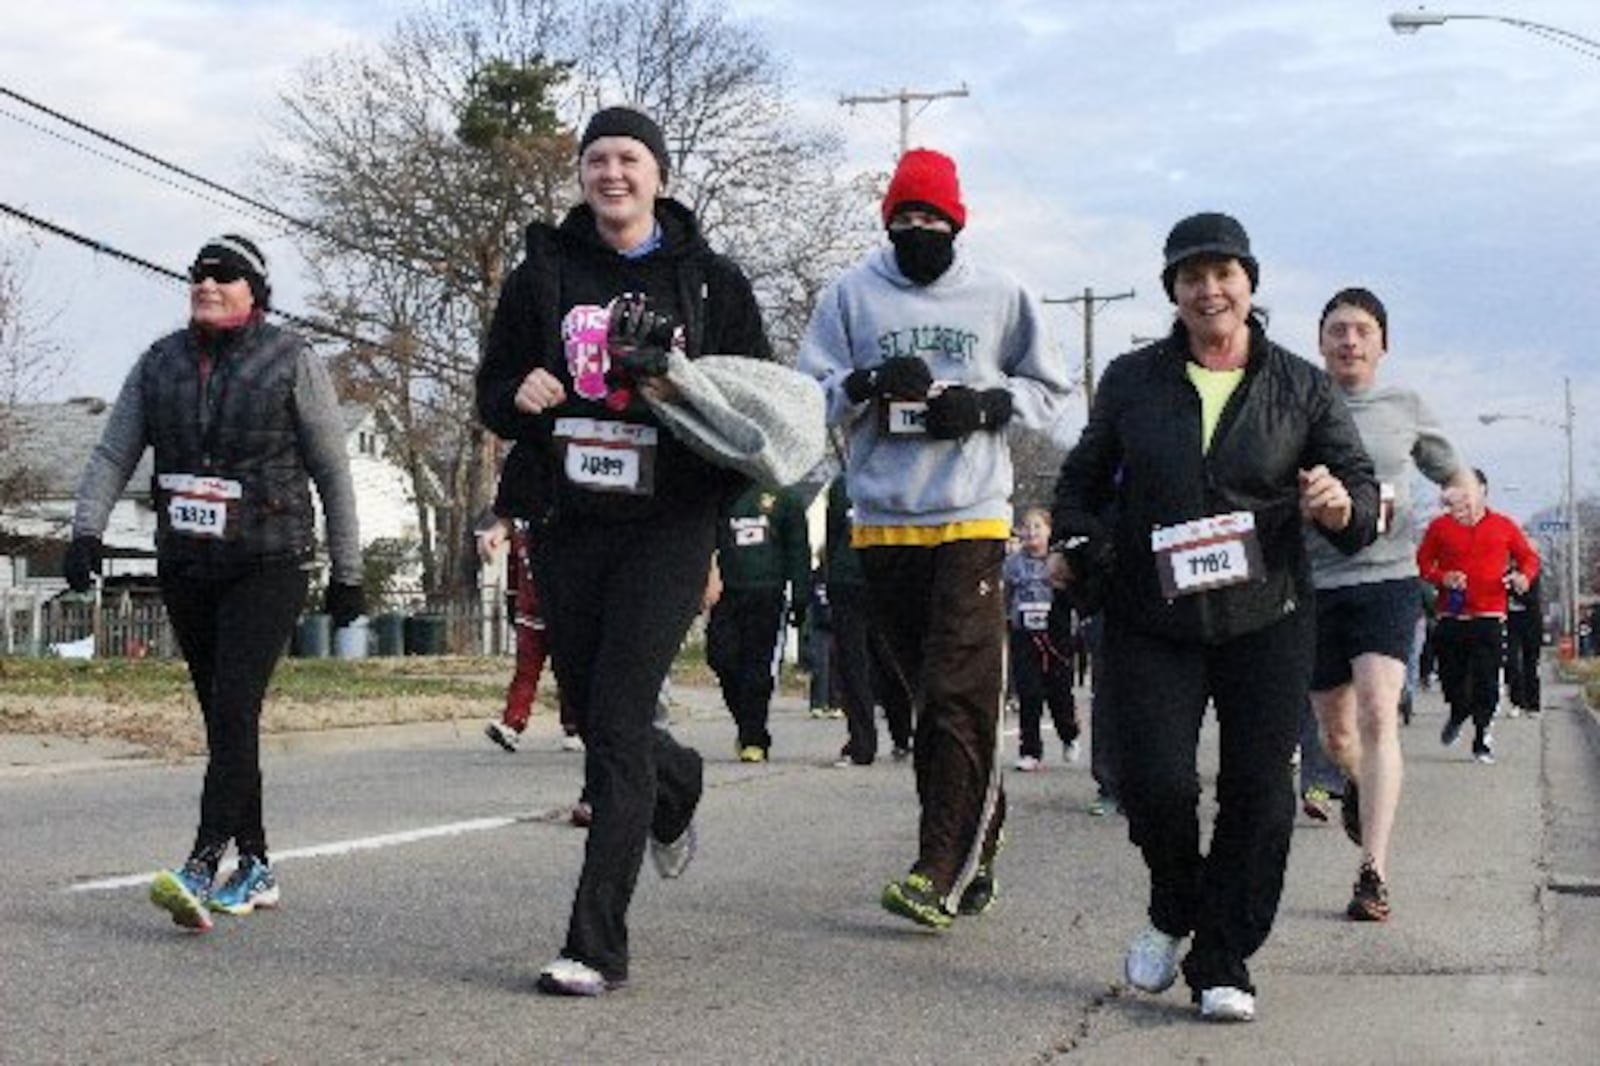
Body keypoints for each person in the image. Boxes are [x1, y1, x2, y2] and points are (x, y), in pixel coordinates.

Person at [1050, 212, 1378, 1022]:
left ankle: (1223, 956)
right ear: (1173, 290)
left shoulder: (1299, 385)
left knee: (1260, 797)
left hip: (1264, 614)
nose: (1209, 290)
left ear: (1249, 283)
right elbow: (1081, 486)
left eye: (1224, 273)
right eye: (1191, 277)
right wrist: (1076, 543)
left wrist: (1340, 505)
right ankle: (1174, 903)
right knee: (1154, 783)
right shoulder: (1132, 380)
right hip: (1150, 613)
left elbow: (1361, 490)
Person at [475, 105, 773, 997]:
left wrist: (674, 393)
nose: (613, 174)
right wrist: (517, 393)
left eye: (630, 159)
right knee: (606, 719)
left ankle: (595, 944)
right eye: (597, 159)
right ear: (582, 174)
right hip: (568, 522)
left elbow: (748, 416)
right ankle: (675, 782)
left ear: (659, 175)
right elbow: (494, 391)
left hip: (667, 524)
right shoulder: (542, 277)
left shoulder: (712, 284)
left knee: (612, 724)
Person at [797, 147, 1070, 929]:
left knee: (958, 691)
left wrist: (986, 405)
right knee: (925, 701)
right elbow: (805, 396)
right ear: (888, 223)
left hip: (972, 518)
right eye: (905, 219)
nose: (919, 230)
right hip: (883, 523)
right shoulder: (851, 294)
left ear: (956, 222)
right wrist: (860, 384)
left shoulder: (998, 293)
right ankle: (978, 828)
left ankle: (936, 869)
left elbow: (1050, 389)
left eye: (932, 219)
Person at [65, 234, 364, 931]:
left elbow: (332, 469)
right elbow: (115, 451)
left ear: (254, 291)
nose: (207, 284)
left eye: (224, 275)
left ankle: (203, 862)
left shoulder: (292, 361)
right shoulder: (159, 362)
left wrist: (348, 572)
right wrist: (84, 530)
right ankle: (255, 864)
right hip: (188, 563)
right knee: (226, 719)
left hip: (270, 560)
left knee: (234, 708)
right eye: (198, 274)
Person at [1305, 286, 1471, 923]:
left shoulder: (1404, 405)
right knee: (1336, 733)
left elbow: (1447, 466)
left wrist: (1459, 492)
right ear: (1321, 343)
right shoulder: (1301, 403)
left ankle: (1373, 870)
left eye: (1362, 331)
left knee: (1378, 713)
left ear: (1382, 344)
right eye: (1338, 330)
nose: (1350, 341)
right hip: (1318, 584)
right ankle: (1353, 783)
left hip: (1386, 577)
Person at [1416, 468, 1539, 765]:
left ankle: (1482, 737)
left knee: (1486, 679)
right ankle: (1458, 712)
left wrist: (1523, 577)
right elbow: (1421, 563)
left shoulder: (1504, 525)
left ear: (1483, 490)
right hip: (1452, 616)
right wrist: (1442, 577)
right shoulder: (1439, 527)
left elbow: (1528, 558)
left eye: (1469, 490)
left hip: (1489, 615)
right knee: (1452, 679)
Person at [477, 455, 581, 754]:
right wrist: (494, 536)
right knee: (525, 669)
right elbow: (504, 525)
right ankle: (512, 724)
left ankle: (574, 726)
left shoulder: (568, 507)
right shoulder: (521, 510)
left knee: (568, 669)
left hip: (565, 607)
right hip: (529, 606)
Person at [705, 483, 811, 761]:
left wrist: (801, 597)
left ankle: (754, 738)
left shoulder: (784, 497)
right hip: (728, 594)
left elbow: (798, 549)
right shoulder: (723, 494)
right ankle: (746, 723)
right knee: (721, 658)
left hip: (768, 593)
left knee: (757, 668)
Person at [1003, 507, 1080, 771]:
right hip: (1024, 634)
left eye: (1038, 526)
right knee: (1029, 693)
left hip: (1056, 635)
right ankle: (1030, 751)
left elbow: (1074, 596)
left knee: (1059, 694)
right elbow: (1005, 593)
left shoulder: (1061, 560)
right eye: (1027, 527)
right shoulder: (1013, 563)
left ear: (1049, 530)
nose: (1032, 532)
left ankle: (1069, 734)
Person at [1503, 570, 1543, 715]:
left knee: (1530, 664)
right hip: (1512, 624)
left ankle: (1533, 704)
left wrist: (1514, 589)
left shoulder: (1531, 574)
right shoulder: (1505, 575)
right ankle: (1517, 702)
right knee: (1512, 662)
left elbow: (1532, 599)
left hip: (1531, 623)